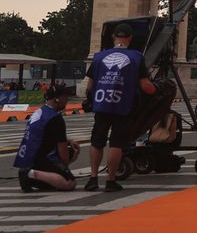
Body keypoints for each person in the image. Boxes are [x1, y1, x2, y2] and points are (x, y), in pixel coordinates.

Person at [84, 22, 157, 192]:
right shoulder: (136, 57)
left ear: (113, 37)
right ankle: (110, 180)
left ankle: (93, 178)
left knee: (97, 141)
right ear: (130, 38)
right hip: (123, 105)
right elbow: (146, 86)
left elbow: (89, 86)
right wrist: (157, 89)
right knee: (116, 143)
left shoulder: (99, 57)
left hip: (101, 104)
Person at [14, 82, 80, 192]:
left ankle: (33, 175)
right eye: (65, 98)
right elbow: (62, 148)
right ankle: (30, 174)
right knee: (70, 183)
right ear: (57, 99)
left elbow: (44, 133)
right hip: (43, 158)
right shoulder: (55, 118)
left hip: (28, 158)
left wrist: (68, 140)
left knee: (52, 184)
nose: (67, 101)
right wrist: (65, 170)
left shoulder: (40, 112)